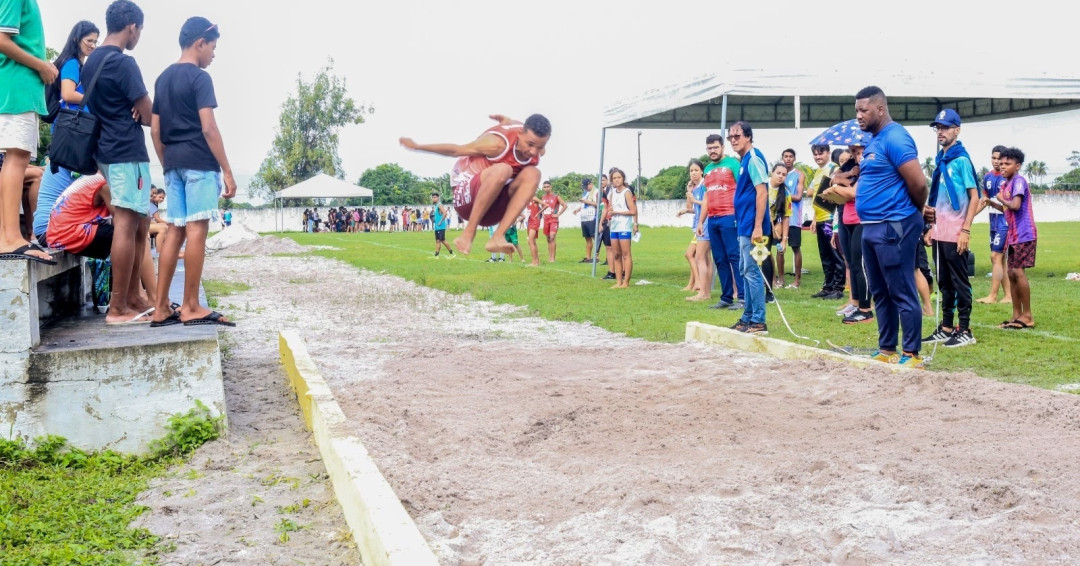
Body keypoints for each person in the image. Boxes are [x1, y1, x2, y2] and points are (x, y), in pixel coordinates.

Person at [149, 16, 236, 328]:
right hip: (200, 163)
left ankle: (161, 308)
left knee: (175, 230)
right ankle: (190, 306)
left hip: (172, 164)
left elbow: (155, 130)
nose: (213, 54)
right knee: (197, 230)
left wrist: (168, 160)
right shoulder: (200, 79)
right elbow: (209, 127)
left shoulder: (162, 79)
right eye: (213, 47)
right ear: (200, 42)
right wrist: (227, 170)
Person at [81, 0, 154, 324]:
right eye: (140, 31)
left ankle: (134, 297)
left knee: (139, 225)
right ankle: (117, 307)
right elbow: (150, 115)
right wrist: (141, 109)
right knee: (126, 224)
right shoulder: (124, 64)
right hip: (126, 150)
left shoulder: (91, 61)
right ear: (132, 28)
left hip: (106, 151)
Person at [399, 113, 551, 255]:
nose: (533, 151)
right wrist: (418, 146)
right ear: (520, 134)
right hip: (466, 199)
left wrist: (506, 121)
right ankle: (469, 233)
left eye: (540, 146)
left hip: (494, 208)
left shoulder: (536, 150)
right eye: (530, 144)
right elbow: (456, 150)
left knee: (533, 174)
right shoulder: (496, 144)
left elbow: (517, 127)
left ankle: (498, 237)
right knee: (503, 170)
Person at [854, 86, 928, 367]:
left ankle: (911, 354)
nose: (859, 116)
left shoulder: (896, 137)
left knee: (901, 289)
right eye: (857, 110)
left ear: (880, 109)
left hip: (893, 225)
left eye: (864, 110)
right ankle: (887, 349)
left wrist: (915, 214)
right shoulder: (874, 140)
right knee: (880, 291)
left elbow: (918, 184)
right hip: (871, 226)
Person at [0, 0, 58, 264]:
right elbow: (1, 39)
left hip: (21, 89)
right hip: (17, 87)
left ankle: (8, 235)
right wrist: (41, 65)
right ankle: (11, 238)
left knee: (17, 159)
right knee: (16, 159)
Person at [922, 109, 980, 347]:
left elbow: (975, 197)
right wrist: (929, 228)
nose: (940, 132)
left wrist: (965, 230)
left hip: (956, 232)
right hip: (939, 231)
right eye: (938, 128)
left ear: (957, 129)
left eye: (945, 127)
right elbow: (936, 199)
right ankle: (946, 327)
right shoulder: (940, 161)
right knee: (944, 281)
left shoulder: (962, 160)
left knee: (959, 281)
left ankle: (965, 330)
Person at [821, 142, 874, 324]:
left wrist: (835, 188)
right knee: (851, 263)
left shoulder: (869, 169)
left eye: (859, 152)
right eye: (853, 152)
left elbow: (853, 192)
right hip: (848, 219)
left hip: (861, 220)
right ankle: (857, 303)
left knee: (860, 266)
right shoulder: (851, 166)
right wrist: (842, 181)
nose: (857, 156)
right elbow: (834, 179)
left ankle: (866, 309)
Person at [727, 121, 770, 334]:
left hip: (752, 226)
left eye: (737, 136)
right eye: (730, 137)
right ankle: (748, 317)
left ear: (748, 137)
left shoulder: (753, 159)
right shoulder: (744, 160)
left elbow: (762, 192)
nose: (733, 140)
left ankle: (758, 320)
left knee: (751, 272)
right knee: (745, 271)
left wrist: (758, 227)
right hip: (744, 223)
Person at [700, 134, 743, 310]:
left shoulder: (733, 163)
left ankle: (742, 297)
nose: (713, 151)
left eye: (715, 147)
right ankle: (726, 298)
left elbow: (742, 190)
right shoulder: (708, 169)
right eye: (709, 148)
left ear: (722, 147)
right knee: (719, 258)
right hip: (712, 219)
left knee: (734, 256)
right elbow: (706, 197)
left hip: (729, 216)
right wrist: (700, 222)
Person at [996, 147, 1037, 330]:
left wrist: (1001, 199)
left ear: (1018, 166)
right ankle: (1016, 315)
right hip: (1013, 236)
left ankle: (1027, 315)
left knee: (1018, 272)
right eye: (1001, 163)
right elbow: (1007, 208)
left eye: (1008, 163)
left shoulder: (1018, 182)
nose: (1002, 166)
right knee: (1011, 273)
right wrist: (992, 203)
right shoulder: (1006, 185)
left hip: (1024, 233)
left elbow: (1015, 205)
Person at [806, 144, 844, 300]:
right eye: (815, 154)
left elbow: (837, 193)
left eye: (821, 154)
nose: (818, 157)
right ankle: (827, 286)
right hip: (820, 219)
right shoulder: (817, 172)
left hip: (830, 219)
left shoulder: (834, 169)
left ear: (828, 153)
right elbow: (815, 196)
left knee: (835, 253)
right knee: (825, 255)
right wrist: (814, 219)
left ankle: (838, 287)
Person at [975, 145, 1011, 304]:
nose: (996, 162)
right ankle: (1009, 296)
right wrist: (968, 218)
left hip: (1005, 222)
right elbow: (983, 201)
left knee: (995, 256)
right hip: (993, 222)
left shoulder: (1008, 178)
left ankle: (993, 296)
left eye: (1000, 159)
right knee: (1000, 260)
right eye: (994, 158)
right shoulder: (987, 177)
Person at [52, 20, 99, 118]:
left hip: (75, 124)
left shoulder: (77, 64)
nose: (93, 46)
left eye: (95, 42)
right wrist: (95, 100)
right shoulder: (72, 63)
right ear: (76, 39)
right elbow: (68, 94)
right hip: (71, 126)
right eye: (89, 41)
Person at [683, 159, 712, 301]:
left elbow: (708, 204)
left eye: (695, 170)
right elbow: (692, 207)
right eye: (691, 171)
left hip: (706, 223)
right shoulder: (694, 188)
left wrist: (695, 201)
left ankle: (702, 289)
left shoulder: (705, 185)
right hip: (698, 224)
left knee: (698, 256)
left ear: (702, 171)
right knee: (705, 258)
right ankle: (704, 290)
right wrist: (689, 193)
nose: (693, 173)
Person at [778, 149, 805, 289]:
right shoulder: (779, 174)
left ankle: (797, 280)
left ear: (794, 158)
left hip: (794, 217)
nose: (788, 159)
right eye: (785, 156)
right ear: (782, 158)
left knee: (795, 247)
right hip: (779, 218)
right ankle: (781, 280)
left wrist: (782, 197)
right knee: (779, 249)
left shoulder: (799, 175)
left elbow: (799, 196)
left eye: (790, 156)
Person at [607, 167, 637, 289]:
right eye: (614, 178)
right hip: (614, 226)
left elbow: (633, 211)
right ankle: (618, 281)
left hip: (624, 226)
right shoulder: (612, 193)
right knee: (616, 255)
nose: (617, 180)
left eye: (619, 177)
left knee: (626, 254)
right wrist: (611, 211)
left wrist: (617, 212)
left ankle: (626, 282)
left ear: (623, 178)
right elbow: (611, 207)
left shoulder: (627, 192)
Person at [766, 163, 791, 300]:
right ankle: (768, 280)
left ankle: (773, 282)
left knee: (772, 253)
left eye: (784, 174)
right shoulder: (763, 185)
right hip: (759, 225)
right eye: (778, 173)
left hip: (775, 225)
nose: (781, 176)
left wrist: (784, 239)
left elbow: (786, 217)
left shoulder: (786, 193)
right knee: (763, 255)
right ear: (772, 172)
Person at [540, 180, 566, 263]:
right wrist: (543, 213)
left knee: (552, 236)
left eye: (548, 187)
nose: (546, 188)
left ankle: (553, 258)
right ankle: (549, 256)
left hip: (553, 220)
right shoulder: (543, 197)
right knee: (548, 239)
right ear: (543, 188)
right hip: (546, 220)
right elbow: (542, 207)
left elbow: (564, 205)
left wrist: (558, 214)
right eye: (545, 187)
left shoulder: (556, 196)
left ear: (551, 187)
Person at [576, 177, 598, 263]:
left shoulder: (596, 191)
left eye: (586, 186)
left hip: (592, 217)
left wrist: (586, 202)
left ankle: (597, 257)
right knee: (587, 238)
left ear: (590, 183)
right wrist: (578, 209)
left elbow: (598, 204)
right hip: (584, 218)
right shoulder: (585, 193)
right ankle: (588, 257)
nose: (585, 188)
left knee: (594, 238)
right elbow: (583, 204)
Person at [431, 191, 453, 257]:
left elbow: (445, 213)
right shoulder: (435, 206)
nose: (433, 199)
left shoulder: (439, 205)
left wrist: (440, 221)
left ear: (438, 198)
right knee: (437, 241)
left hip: (441, 226)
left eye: (435, 197)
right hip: (437, 226)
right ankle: (436, 255)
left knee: (442, 240)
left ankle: (452, 253)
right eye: (432, 197)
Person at [524, 191, 542, 266]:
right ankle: (537, 261)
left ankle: (534, 262)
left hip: (534, 221)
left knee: (530, 241)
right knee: (532, 241)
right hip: (530, 221)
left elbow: (546, 205)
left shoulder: (534, 198)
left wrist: (538, 213)